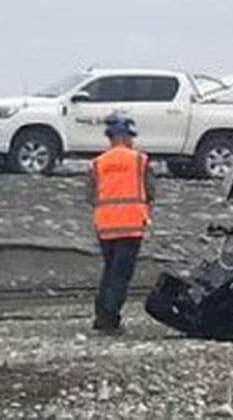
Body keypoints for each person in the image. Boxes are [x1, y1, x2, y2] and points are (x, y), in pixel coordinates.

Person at [88, 114, 154, 335]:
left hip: (105, 225)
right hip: (131, 224)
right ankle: (109, 318)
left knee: (109, 271)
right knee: (120, 275)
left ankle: (102, 314)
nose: (133, 141)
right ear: (125, 136)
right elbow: (151, 191)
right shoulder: (139, 160)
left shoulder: (98, 163)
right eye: (131, 136)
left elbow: (90, 195)